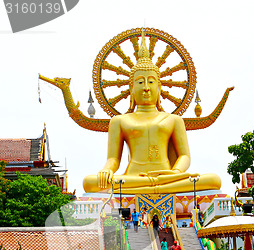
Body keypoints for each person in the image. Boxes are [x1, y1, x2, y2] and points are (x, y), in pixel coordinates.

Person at [83, 32, 221, 195]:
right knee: (89, 182)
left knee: (214, 179)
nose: (146, 87)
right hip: (133, 178)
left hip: (168, 176)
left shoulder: (173, 120)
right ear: (131, 89)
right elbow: (113, 159)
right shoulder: (119, 121)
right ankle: (155, 185)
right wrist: (106, 170)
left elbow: (185, 156)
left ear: (159, 87)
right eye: (140, 82)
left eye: (151, 81)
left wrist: (176, 173)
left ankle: (156, 184)